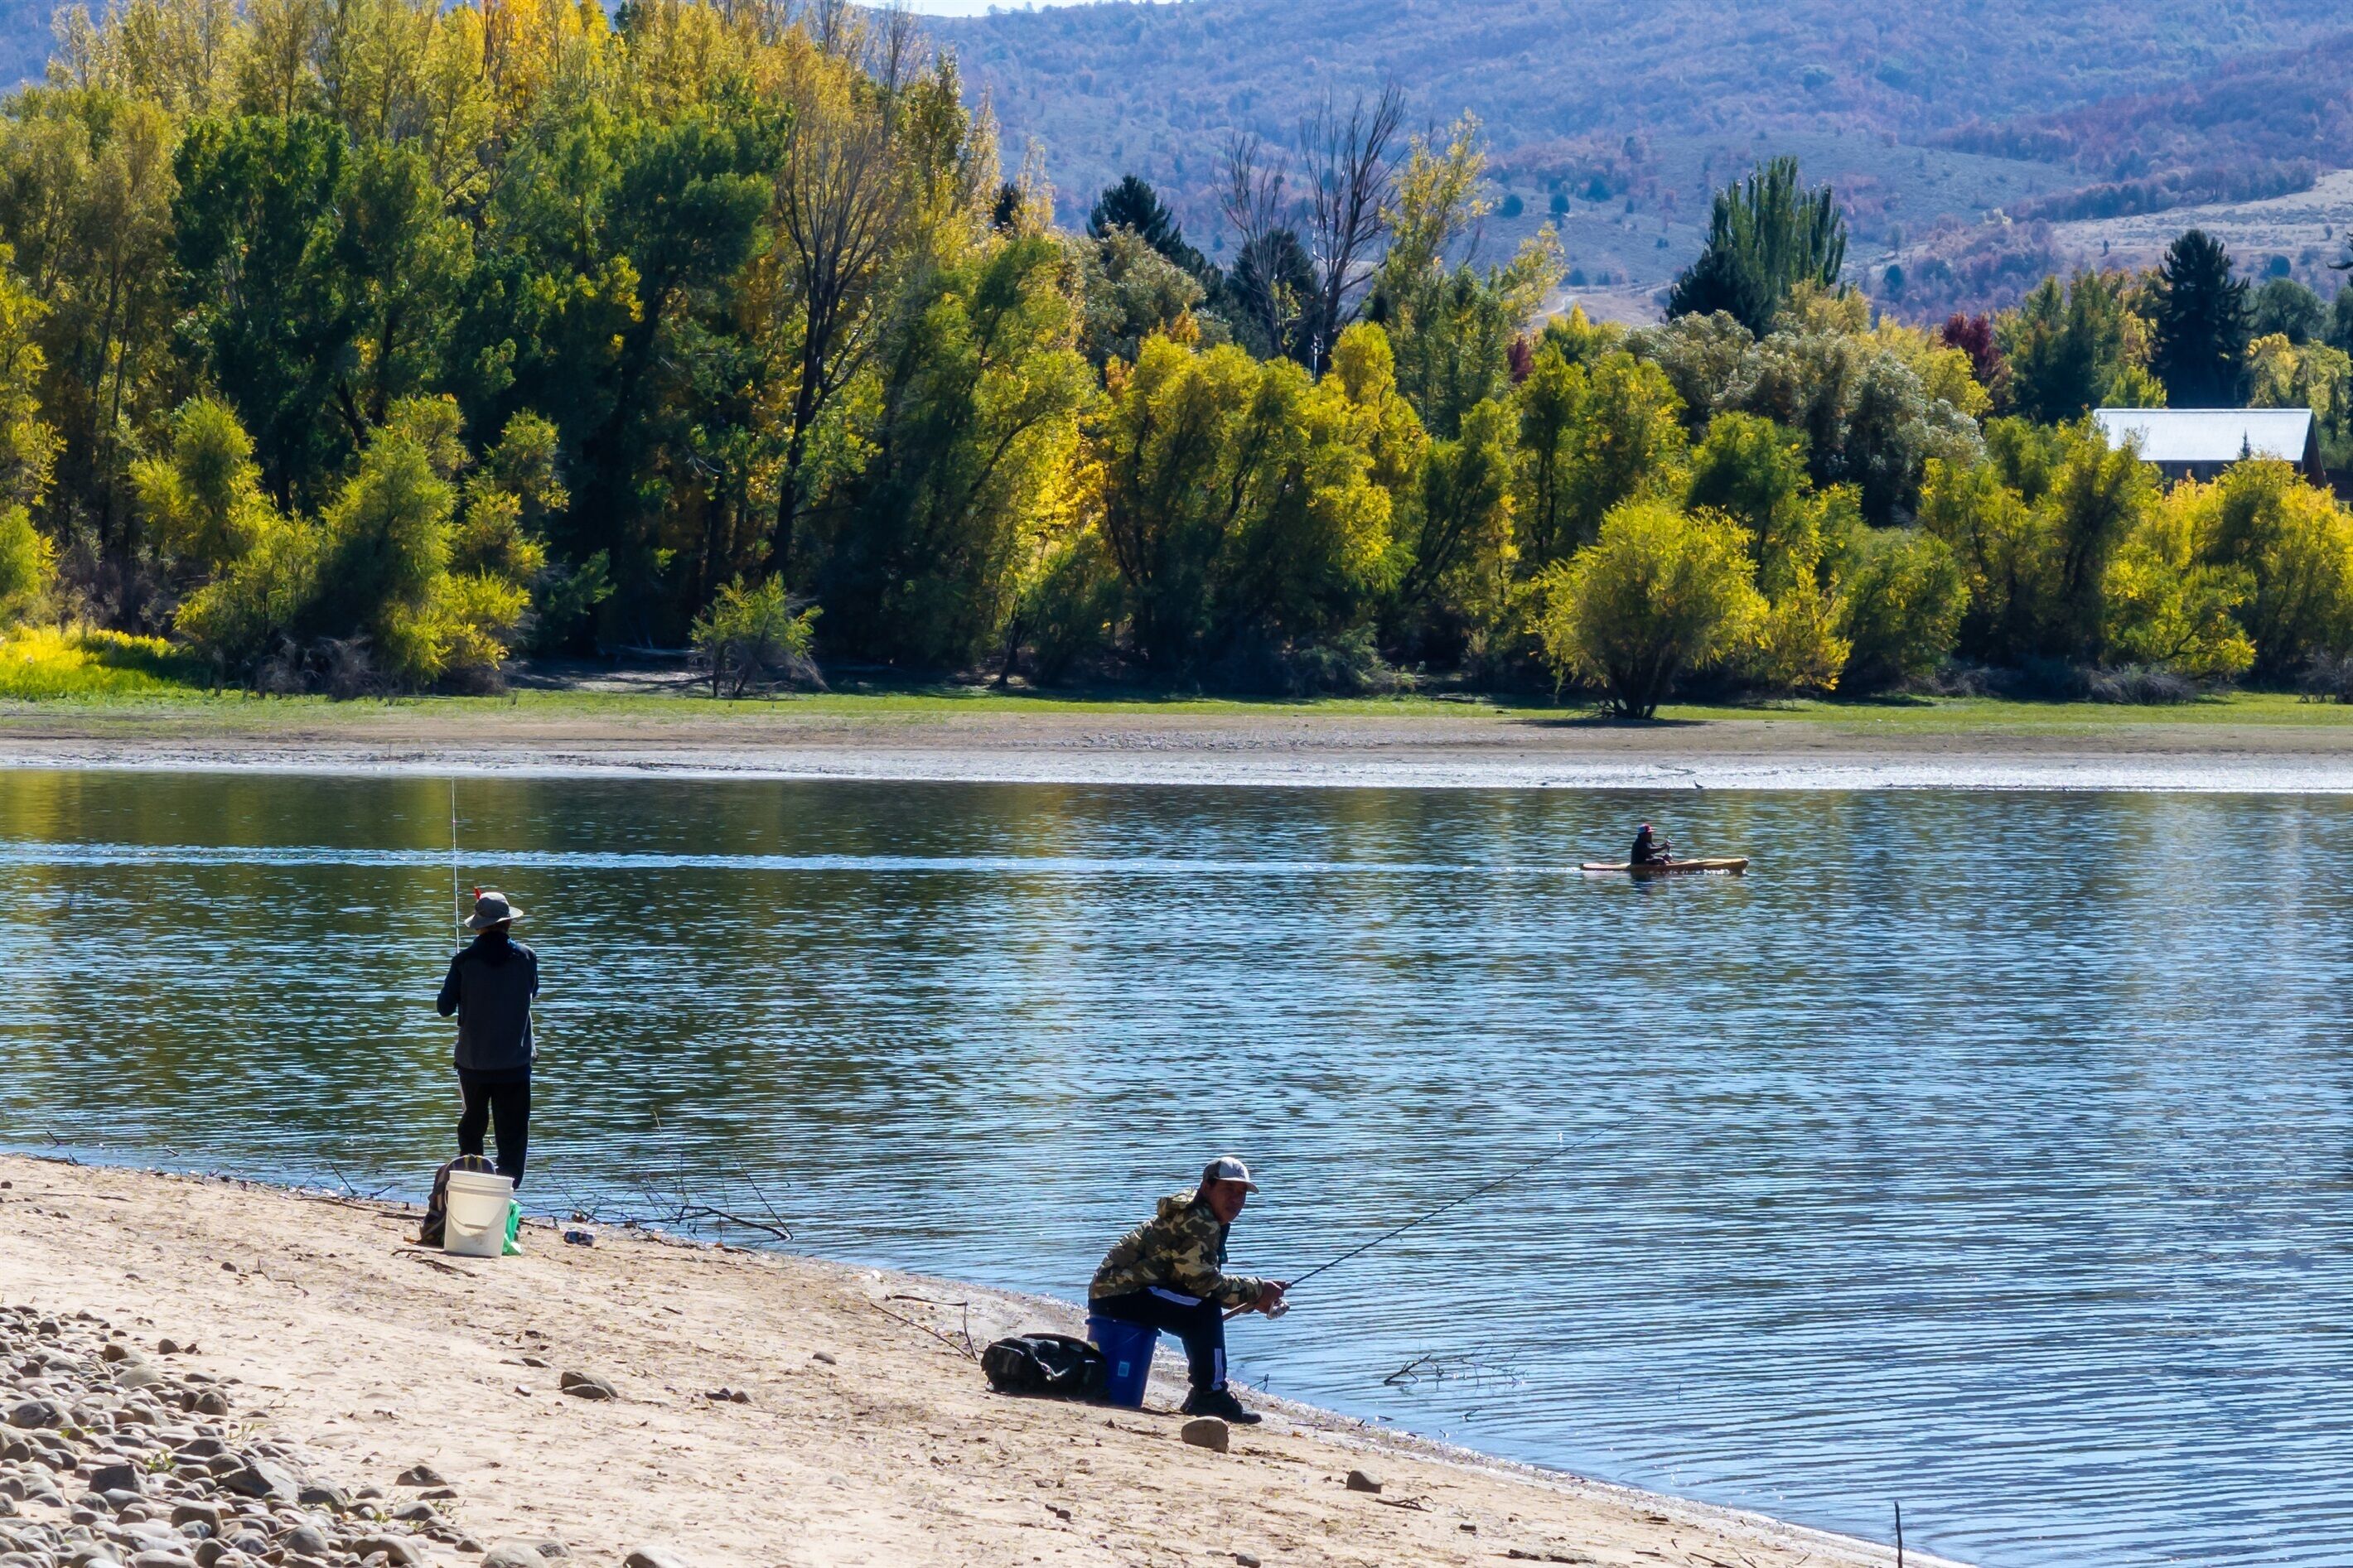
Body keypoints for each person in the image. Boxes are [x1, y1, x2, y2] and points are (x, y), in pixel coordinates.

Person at [1089, 1156, 1288, 1424]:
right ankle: (1211, 1394)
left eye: (1242, 1194)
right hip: (1120, 1295)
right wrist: (1256, 1291)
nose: (1237, 1200)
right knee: (1204, 1310)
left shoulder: (1205, 1215)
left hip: (1121, 1293)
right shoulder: (1200, 1221)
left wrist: (1256, 1294)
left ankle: (1204, 1393)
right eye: (1229, 1190)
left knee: (1200, 1306)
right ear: (1207, 1187)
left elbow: (1195, 1280)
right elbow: (1204, 1284)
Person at [435, 889, 539, 1189]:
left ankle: (473, 1185)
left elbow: (444, 1008)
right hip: (515, 1064)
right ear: (508, 923)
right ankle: (506, 1191)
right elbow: (532, 992)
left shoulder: (464, 961)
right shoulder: (527, 958)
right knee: (513, 1134)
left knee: (472, 1128)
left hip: (474, 1064)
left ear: (479, 925)